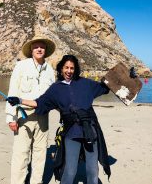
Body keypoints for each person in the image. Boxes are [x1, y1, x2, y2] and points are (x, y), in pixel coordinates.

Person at [7, 55, 111, 184]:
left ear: (75, 69)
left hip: (90, 130)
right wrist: (19, 100)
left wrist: (130, 77)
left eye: (72, 68)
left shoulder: (85, 83)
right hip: (71, 132)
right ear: (61, 69)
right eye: (66, 67)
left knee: (92, 170)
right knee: (70, 170)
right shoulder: (55, 89)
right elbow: (39, 103)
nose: (69, 71)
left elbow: (106, 86)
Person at [5, 35, 56, 184]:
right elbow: (12, 92)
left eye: (42, 47)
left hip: (43, 117)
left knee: (40, 154)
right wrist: (10, 117)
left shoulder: (50, 70)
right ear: (31, 50)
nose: (39, 49)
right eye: (36, 47)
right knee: (21, 154)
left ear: (45, 50)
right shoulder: (21, 66)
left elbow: (53, 95)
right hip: (23, 115)